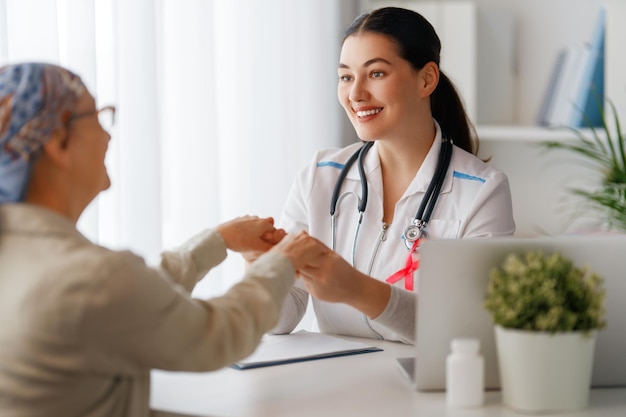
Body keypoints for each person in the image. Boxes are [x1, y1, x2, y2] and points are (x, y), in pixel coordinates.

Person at [0, 62, 328, 416]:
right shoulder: (88, 277)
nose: (108, 136)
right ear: (58, 141)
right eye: (97, 117)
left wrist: (218, 240)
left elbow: (131, 300)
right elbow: (220, 334)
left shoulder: (25, 254)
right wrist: (281, 261)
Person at [271, 7, 515, 344]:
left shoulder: (483, 191)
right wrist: (265, 271)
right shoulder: (319, 178)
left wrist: (358, 290)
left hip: (422, 389)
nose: (355, 94)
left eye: (376, 74)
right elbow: (281, 320)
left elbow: (472, 332)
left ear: (426, 79)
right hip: (331, 386)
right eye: (346, 76)